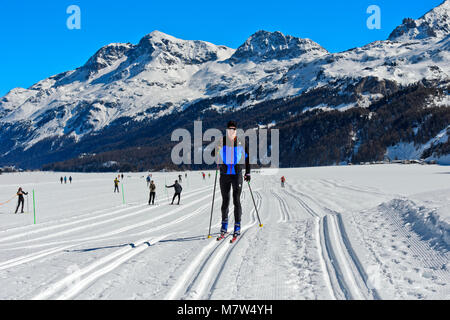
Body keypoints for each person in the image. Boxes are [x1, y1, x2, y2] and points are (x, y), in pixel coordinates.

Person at [216, 120, 250, 241]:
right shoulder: (222, 141)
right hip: (224, 175)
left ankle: (237, 225)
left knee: (236, 200)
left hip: (237, 175)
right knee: (225, 201)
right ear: (227, 130)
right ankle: (224, 225)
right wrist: (217, 150)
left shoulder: (241, 141)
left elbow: (247, 157)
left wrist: (248, 172)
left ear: (236, 130)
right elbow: (213, 153)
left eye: (233, 129)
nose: (231, 131)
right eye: (229, 129)